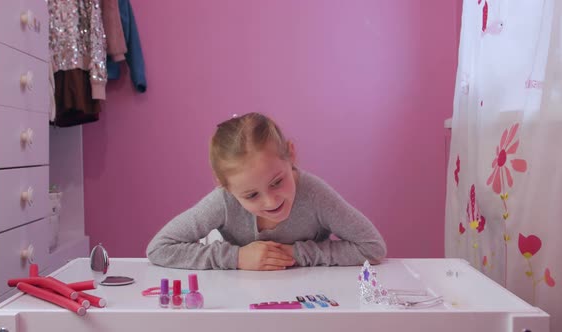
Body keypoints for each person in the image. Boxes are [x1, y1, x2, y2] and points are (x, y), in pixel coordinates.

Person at [146, 112, 386, 270]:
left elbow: (373, 248)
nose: (271, 201)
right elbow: (159, 249)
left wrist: (295, 254)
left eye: (277, 182)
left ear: (290, 154)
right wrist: (237, 258)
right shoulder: (223, 201)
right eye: (251, 195)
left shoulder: (314, 194)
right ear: (224, 185)